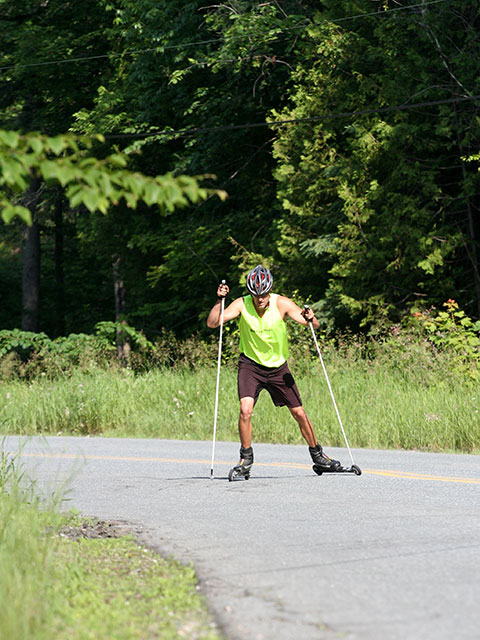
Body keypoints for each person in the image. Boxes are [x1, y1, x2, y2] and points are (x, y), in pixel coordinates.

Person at [206, 264, 340, 475]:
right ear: (251, 292)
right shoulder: (242, 304)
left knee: (299, 413)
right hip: (250, 366)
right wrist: (219, 301)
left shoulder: (282, 304)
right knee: (245, 410)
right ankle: (246, 459)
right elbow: (213, 323)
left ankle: (318, 456)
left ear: (270, 290)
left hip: (278, 368)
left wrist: (310, 317)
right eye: (256, 294)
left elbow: (313, 326)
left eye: (264, 293)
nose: (260, 299)